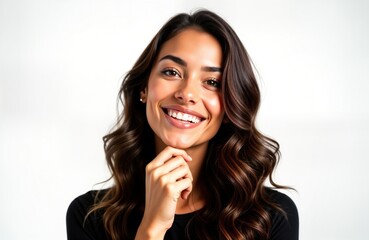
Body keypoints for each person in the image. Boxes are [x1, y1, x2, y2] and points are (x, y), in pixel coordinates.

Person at [66, 9, 299, 240]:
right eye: (171, 72)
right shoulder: (88, 217)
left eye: (211, 82)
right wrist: (152, 227)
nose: (187, 94)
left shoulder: (270, 218)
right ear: (144, 88)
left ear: (230, 107)